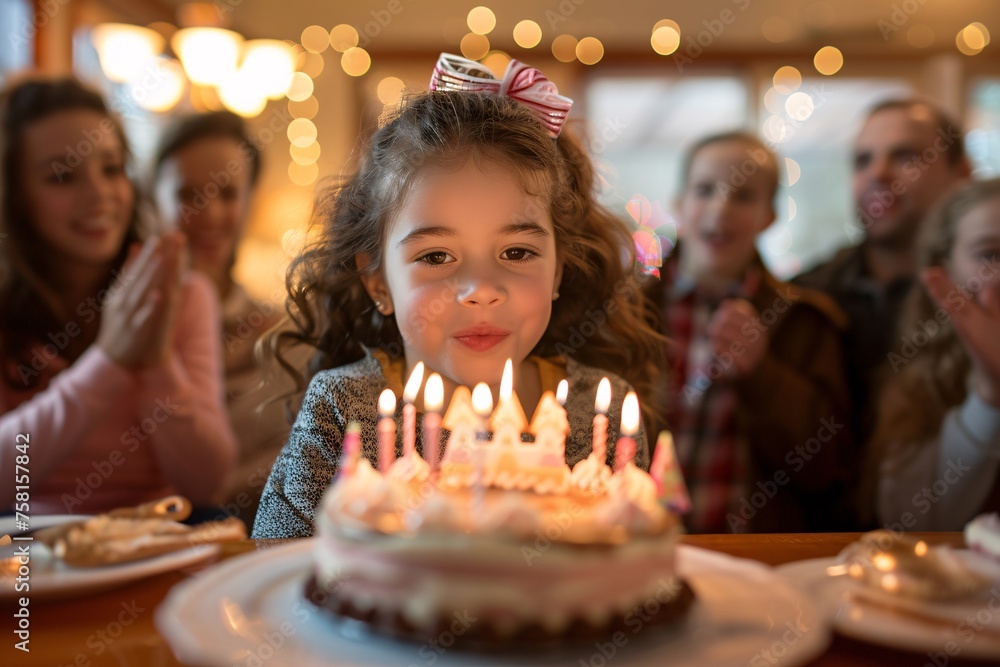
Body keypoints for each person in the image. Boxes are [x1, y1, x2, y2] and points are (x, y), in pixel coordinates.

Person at [253, 55, 666, 539]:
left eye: (516, 251)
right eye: (435, 257)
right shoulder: (344, 409)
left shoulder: (604, 413)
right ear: (378, 281)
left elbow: (632, 569)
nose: (481, 291)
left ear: (558, 270)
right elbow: (279, 569)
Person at [0, 77, 237, 514]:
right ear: (14, 196)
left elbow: (207, 482)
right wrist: (109, 362)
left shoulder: (183, 294)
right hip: (27, 555)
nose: (100, 195)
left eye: (111, 169)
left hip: (155, 542)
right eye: (62, 176)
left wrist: (157, 361)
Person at [646, 131, 854, 533]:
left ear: (769, 216)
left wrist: (764, 374)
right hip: (637, 547)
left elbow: (829, 467)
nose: (720, 208)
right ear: (679, 204)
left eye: (742, 196)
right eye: (705, 190)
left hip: (751, 551)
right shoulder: (628, 311)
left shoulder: (805, 321)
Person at [152, 111, 299, 526]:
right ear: (152, 198)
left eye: (228, 194)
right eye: (187, 195)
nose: (210, 214)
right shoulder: (123, 326)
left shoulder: (283, 334)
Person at [795, 99, 971, 442]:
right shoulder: (806, 297)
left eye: (905, 156)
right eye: (863, 160)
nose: (878, 173)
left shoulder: (981, 299)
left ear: (961, 174)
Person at [869, 178, 1000, 530]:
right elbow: (910, 524)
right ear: (945, 270)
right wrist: (990, 395)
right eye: (989, 255)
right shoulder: (920, 383)